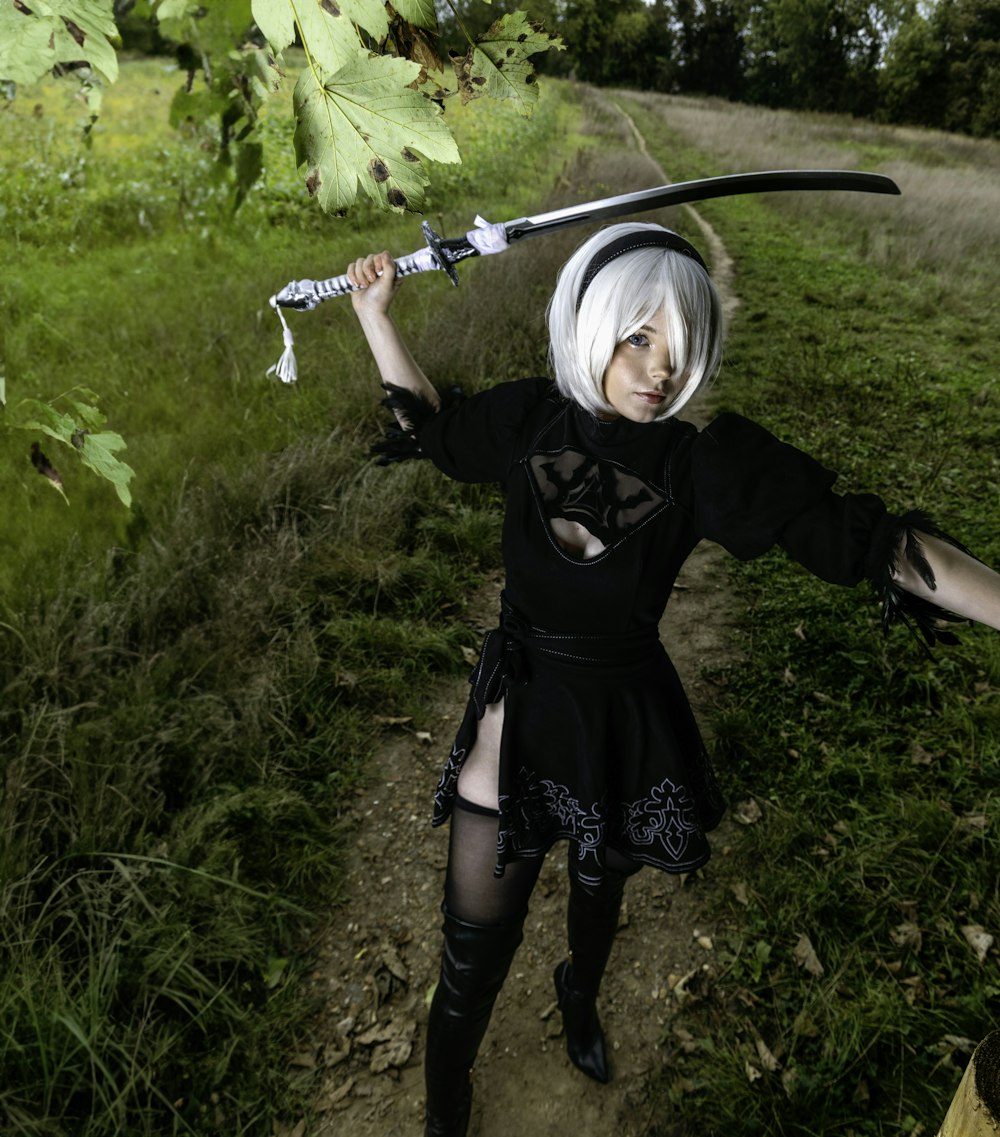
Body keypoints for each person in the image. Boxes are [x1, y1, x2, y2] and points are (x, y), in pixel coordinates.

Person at [345, 223, 1000, 1137]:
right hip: (520, 710)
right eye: (639, 337)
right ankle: (445, 1099)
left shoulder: (702, 467)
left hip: (620, 718)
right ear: (593, 324)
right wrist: (376, 314)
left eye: (682, 348)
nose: (660, 370)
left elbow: (875, 541)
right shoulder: (528, 419)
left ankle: (581, 997)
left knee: (597, 891)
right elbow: (437, 430)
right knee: (472, 944)